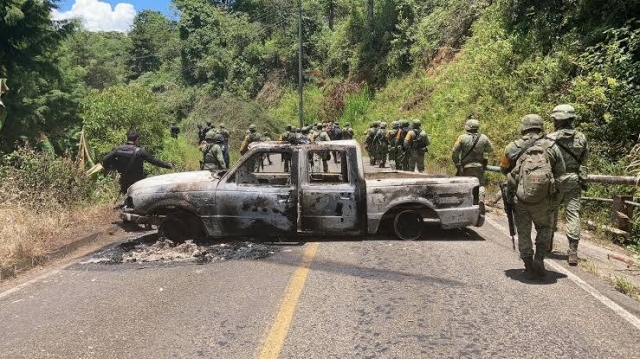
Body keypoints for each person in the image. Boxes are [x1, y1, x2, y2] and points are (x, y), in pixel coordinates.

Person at [500, 114, 566, 279]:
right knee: (544, 228)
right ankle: (539, 258)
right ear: (540, 127)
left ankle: (528, 266)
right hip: (544, 199)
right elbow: (561, 172)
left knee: (523, 232)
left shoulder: (512, 147)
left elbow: (504, 169)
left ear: (523, 127)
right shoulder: (551, 147)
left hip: (520, 199)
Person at [547, 104, 588, 265]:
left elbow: (547, 162)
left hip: (556, 180)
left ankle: (547, 244)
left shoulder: (550, 138)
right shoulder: (581, 138)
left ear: (558, 120)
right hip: (574, 180)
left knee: (551, 212)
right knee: (573, 214)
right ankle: (572, 251)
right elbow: (584, 162)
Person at [102, 130, 173, 194]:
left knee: (125, 198)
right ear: (136, 140)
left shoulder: (117, 149)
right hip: (137, 182)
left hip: (124, 180)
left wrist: (114, 168)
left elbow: (105, 160)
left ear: (128, 139)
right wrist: (167, 165)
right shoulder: (140, 151)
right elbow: (154, 161)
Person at [451, 119, 494, 185]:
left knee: (464, 186)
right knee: (480, 185)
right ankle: (481, 194)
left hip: (466, 167)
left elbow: (454, 152)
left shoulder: (461, 138)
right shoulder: (484, 137)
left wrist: (457, 164)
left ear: (467, 127)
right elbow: (490, 149)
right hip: (479, 166)